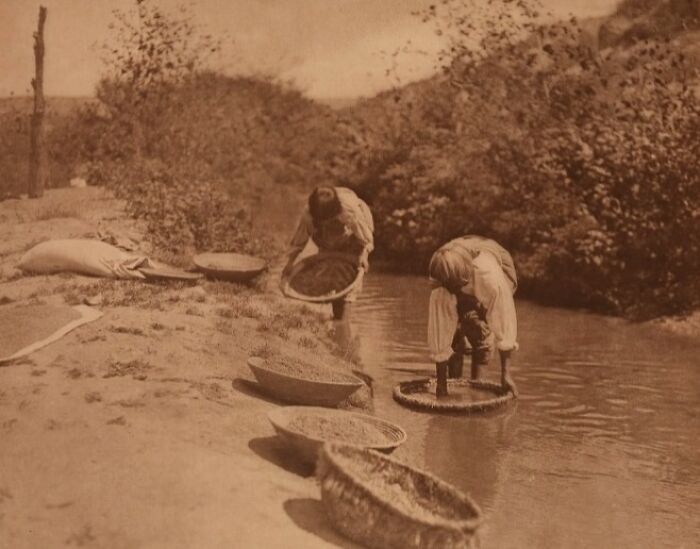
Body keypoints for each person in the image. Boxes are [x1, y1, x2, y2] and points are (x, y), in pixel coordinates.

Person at [427, 235, 519, 398]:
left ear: (462, 280)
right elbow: (439, 331)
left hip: (495, 262)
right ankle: (454, 379)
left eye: (455, 288)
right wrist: (441, 385)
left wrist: (506, 374)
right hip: (457, 261)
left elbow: (505, 322)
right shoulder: (441, 285)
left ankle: (477, 391)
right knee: (455, 337)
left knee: (480, 334)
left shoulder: (489, 278)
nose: (451, 292)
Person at [282, 185, 374, 320]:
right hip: (326, 240)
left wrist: (364, 256)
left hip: (352, 238)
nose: (324, 195)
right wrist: (290, 263)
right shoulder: (308, 215)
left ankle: (341, 322)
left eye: (327, 194)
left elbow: (365, 239)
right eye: (321, 194)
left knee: (346, 285)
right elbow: (299, 241)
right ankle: (338, 319)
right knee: (330, 272)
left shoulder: (349, 211)